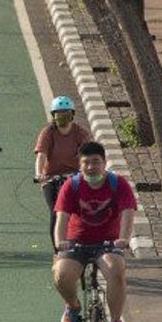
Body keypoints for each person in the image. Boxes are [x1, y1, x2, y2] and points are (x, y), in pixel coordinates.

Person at [53, 141, 136, 322]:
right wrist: (60, 241)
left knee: (116, 270)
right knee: (61, 275)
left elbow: (128, 213)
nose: (91, 167)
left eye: (96, 162)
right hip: (76, 243)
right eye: (86, 163)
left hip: (108, 244)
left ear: (104, 162)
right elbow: (61, 218)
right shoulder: (71, 186)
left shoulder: (118, 184)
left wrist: (123, 238)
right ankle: (72, 307)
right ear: (79, 165)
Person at [35, 95, 91, 248]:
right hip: (51, 178)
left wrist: (87, 172)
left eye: (66, 115)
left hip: (75, 176)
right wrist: (39, 174)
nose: (63, 119)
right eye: (59, 115)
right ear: (53, 116)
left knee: (84, 210)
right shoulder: (48, 133)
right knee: (56, 211)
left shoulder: (80, 132)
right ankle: (57, 250)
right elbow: (41, 155)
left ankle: (86, 242)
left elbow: (89, 153)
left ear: (72, 115)